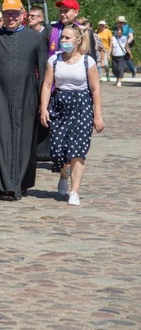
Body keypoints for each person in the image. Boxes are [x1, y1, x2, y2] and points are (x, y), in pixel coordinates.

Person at [0, 0, 46, 200]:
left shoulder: (34, 37)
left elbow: (42, 70)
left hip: (27, 97)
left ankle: (18, 183)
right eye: (7, 14)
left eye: (15, 13)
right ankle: (1, 183)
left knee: (24, 141)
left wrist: (43, 102)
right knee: (0, 139)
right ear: (2, 16)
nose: (11, 17)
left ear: (23, 14)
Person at [40, 24, 104, 206]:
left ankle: (74, 191)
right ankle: (63, 173)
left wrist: (97, 115)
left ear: (78, 40)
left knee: (78, 150)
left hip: (82, 105)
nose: (64, 41)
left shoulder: (87, 62)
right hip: (60, 104)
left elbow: (95, 89)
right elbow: (46, 85)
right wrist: (44, 108)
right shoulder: (54, 60)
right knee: (58, 149)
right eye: (62, 38)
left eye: (67, 38)